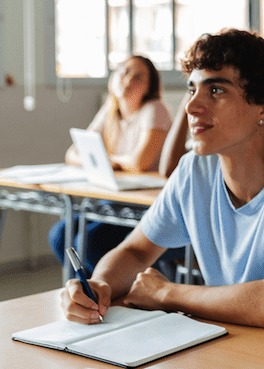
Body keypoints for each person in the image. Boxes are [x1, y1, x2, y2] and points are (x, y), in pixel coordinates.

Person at [60, 29, 264, 331]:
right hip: (235, 341)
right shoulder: (195, 169)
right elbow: (135, 251)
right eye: (191, 89)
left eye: (216, 91)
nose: (191, 106)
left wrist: (167, 293)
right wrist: (100, 285)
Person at [48, 55, 172, 273]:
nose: (128, 80)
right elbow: (73, 153)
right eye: (124, 71)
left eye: (138, 77)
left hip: (146, 206)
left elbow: (139, 162)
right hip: (115, 201)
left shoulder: (155, 109)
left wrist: (107, 160)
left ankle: (111, 292)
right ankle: (89, 293)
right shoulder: (110, 111)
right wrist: (107, 162)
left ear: (149, 87)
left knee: (90, 242)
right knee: (60, 235)